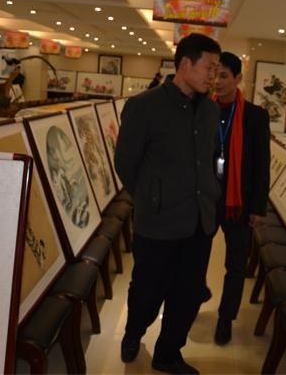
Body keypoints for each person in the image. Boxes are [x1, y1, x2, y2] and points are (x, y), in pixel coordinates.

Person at [114, 33, 221, 375]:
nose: (213, 75)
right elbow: (126, 164)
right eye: (209, 67)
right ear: (185, 63)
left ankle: (168, 354)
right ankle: (133, 333)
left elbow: (212, 158)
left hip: (199, 222)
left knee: (187, 296)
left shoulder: (210, 109)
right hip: (158, 223)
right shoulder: (144, 106)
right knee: (147, 292)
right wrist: (152, 197)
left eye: (217, 69)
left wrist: (213, 194)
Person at [208, 51, 270, 345]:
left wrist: (258, 207)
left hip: (238, 203)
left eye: (223, 75)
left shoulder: (255, 116)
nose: (217, 81)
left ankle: (225, 318)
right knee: (195, 257)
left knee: (235, 265)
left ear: (237, 78)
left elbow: (261, 165)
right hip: (207, 199)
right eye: (214, 74)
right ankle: (196, 293)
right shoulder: (203, 110)